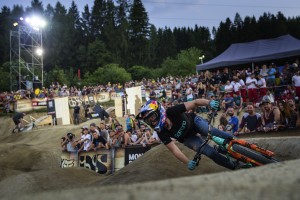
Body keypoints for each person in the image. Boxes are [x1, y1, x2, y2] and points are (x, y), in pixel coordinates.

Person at [136, 99, 240, 171]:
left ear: (159, 111)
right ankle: (234, 167)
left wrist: (209, 102)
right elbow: (174, 149)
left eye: (152, 117)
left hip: (194, 123)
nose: (152, 122)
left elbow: (194, 102)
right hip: (188, 138)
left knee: (213, 132)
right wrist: (187, 162)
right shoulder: (161, 132)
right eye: (148, 120)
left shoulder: (172, 112)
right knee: (211, 153)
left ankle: (239, 143)